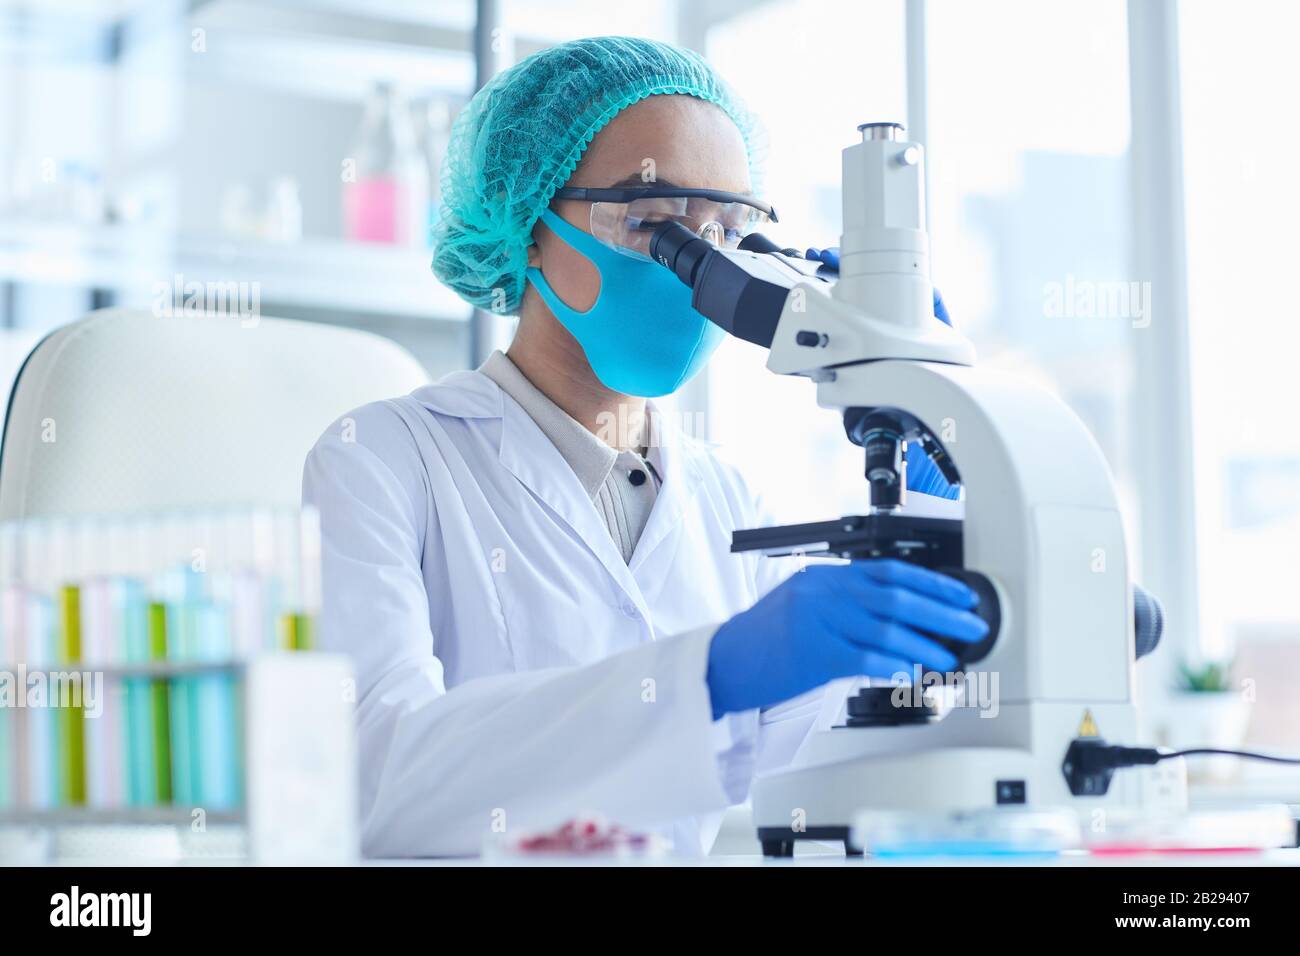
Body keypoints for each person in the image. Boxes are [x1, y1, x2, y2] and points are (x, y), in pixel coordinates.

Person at [302, 35, 986, 858]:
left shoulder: (729, 501)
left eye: (727, 233)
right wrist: (712, 674)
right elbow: (375, 779)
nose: (698, 269)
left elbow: (839, 769)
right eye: (654, 223)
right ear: (527, 225)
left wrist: (938, 482)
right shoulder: (380, 461)